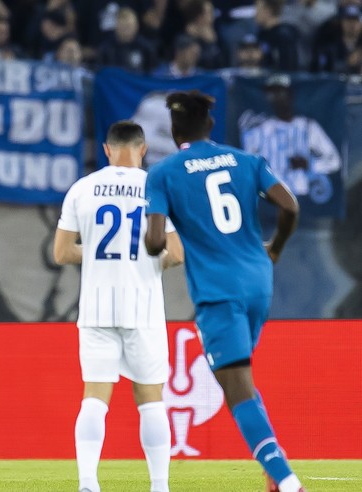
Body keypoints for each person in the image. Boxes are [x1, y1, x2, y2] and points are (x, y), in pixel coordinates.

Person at [144, 91, 304, 492]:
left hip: (218, 289)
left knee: (234, 387)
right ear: (211, 125)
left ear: (174, 129)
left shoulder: (163, 172)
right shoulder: (247, 161)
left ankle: (286, 481)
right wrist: (276, 249)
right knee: (241, 377)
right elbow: (290, 207)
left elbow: (153, 240)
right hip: (258, 282)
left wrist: (163, 235)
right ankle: (273, 473)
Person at [54, 121, 184, 492]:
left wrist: (95, 253)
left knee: (94, 398)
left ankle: (88, 484)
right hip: (143, 308)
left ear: (108, 150)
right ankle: (159, 486)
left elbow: (62, 252)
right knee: (150, 399)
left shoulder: (83, 189)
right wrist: (147, 258)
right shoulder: (153, 187)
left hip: (96, 308)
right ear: (142, 150)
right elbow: (175, 253)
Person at [240, 74, 341, 198]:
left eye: (281, 93)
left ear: (291, 95)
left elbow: (334, 161)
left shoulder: (307, 126)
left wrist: (309, 164)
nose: (277, 99)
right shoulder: (260, 128)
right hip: (270, 198)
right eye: (272, 95)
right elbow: (247, 163)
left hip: (301, 198)